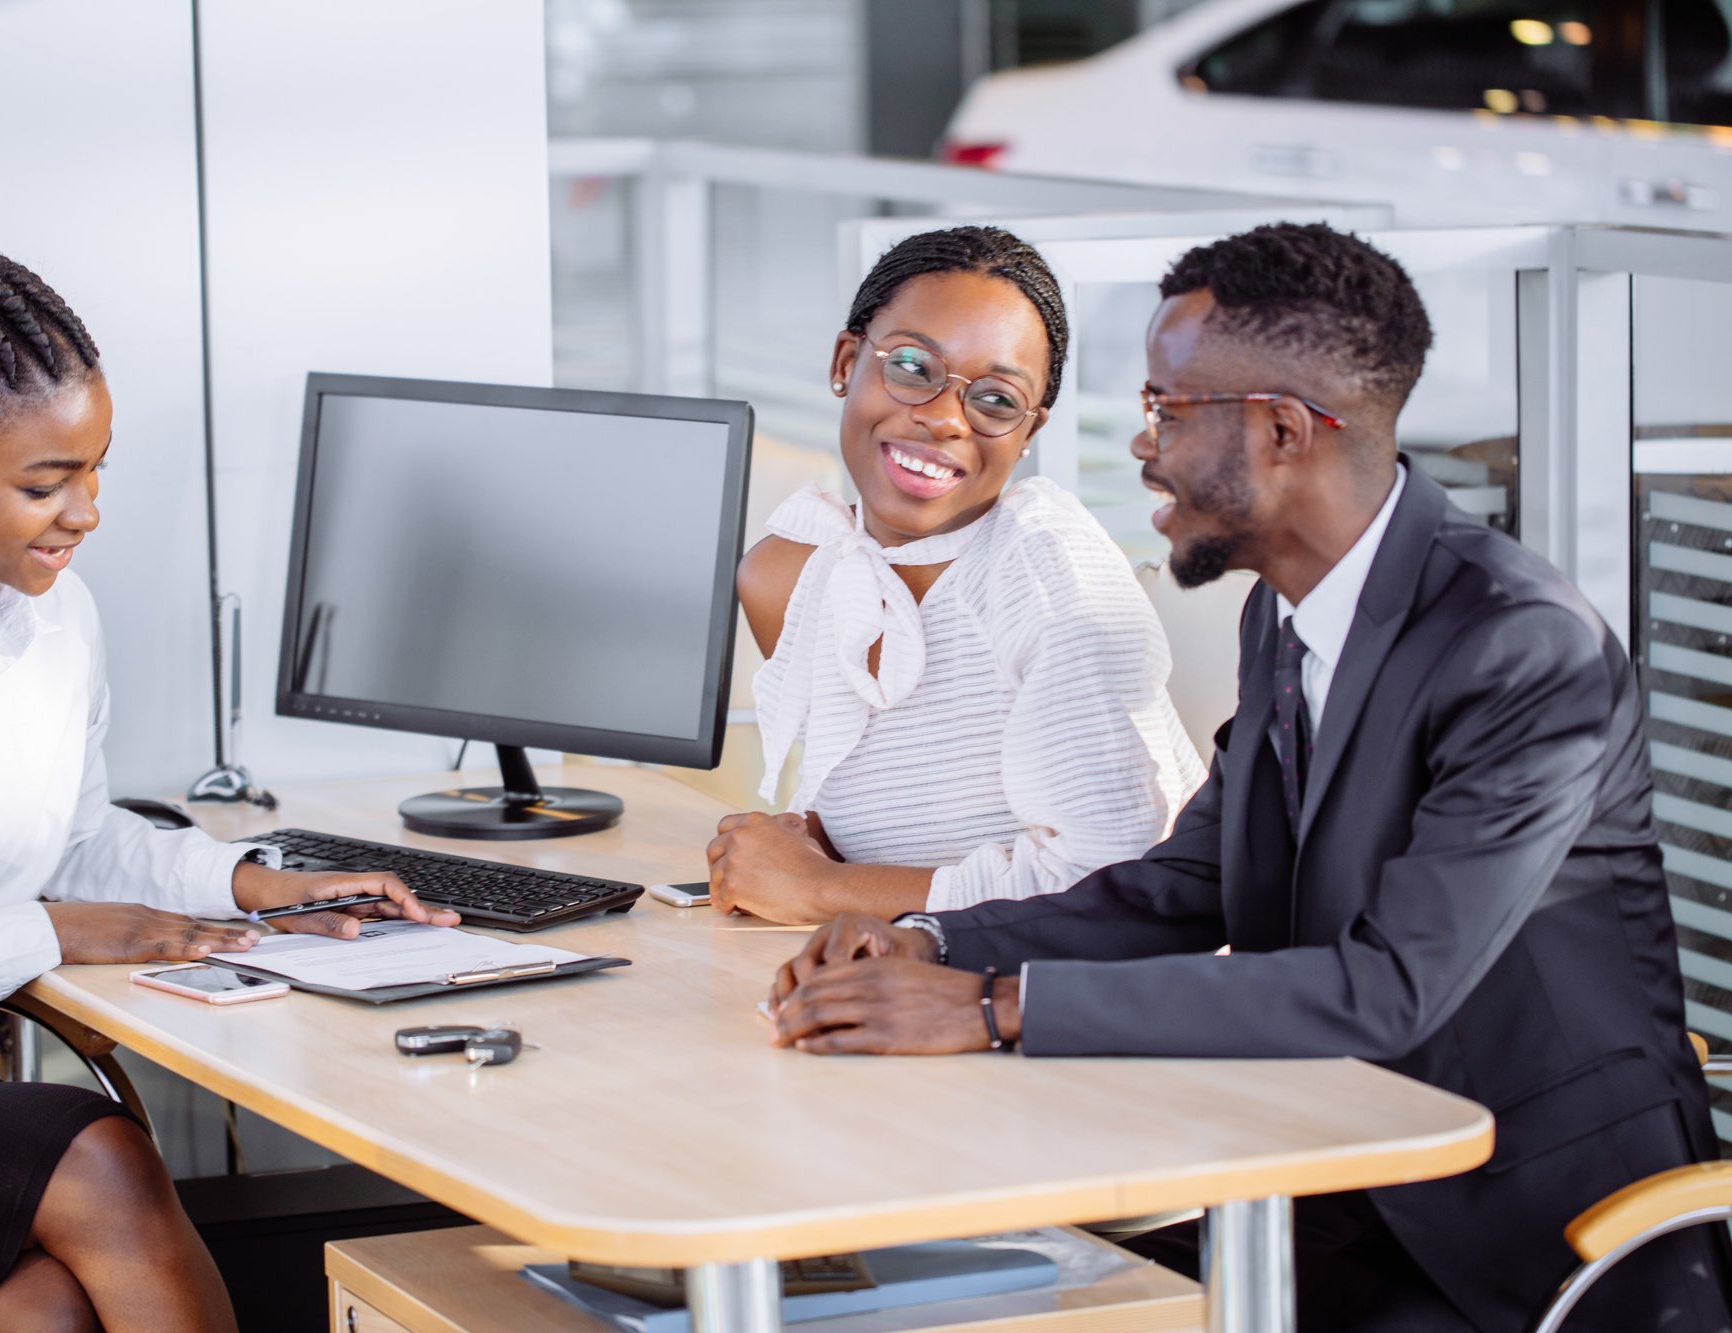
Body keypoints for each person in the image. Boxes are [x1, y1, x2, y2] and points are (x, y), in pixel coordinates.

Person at [764, 223, 1731, 1332]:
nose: (1140, 446)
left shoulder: (1518, 646)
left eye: (1168, 413)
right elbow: (1182, 883)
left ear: (1278, 431)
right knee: (929, 1291)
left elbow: (1385, 989)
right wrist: (930, 944)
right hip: (1315, 1167)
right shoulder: (1289, 607)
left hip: (1518, 1233)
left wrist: (989, 1009)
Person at [0, 211, 460, 1332]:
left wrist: (252, 885)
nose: (87, 511)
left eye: (95, 470)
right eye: (45, 483)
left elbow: (75, 838)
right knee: (105, 1156)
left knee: (47, 1315)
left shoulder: (53, 618)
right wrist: (51, 931)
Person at [709, 226, 1203, 925]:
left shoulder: (1045, 570)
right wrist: (809, 848)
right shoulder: (788, 577)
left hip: (1084, 1000)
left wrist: (822, 890)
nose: (943, 418)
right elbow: (891, 828)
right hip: (919, 977)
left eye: (997, 399)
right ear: (846, 361)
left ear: (1029, 431)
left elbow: (1120, 882)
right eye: (911, 366)